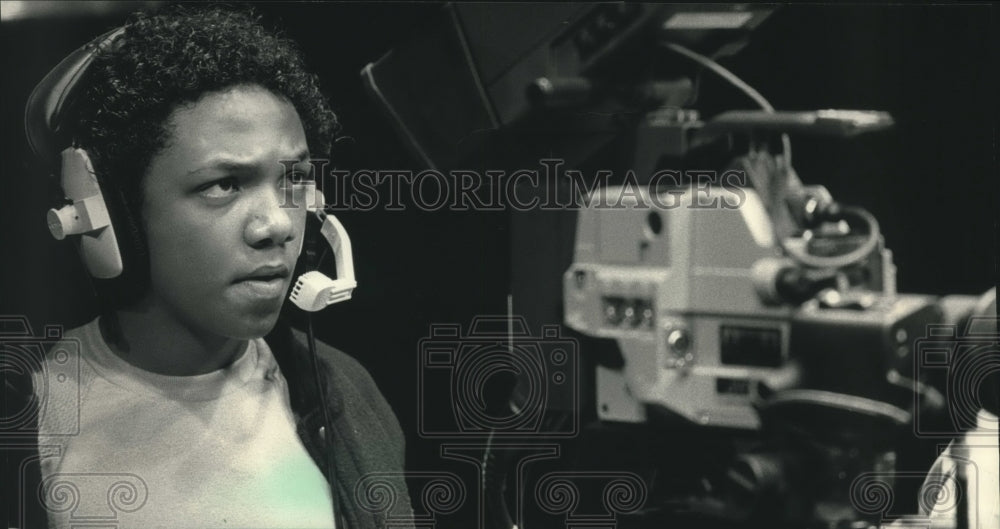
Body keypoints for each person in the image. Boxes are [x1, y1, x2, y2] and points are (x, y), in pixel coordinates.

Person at [3, 5, 413, 529]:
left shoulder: (345, 393)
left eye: (293, 181)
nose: (278, 226)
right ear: (114, 214)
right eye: (224, 184)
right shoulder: (27, 421)